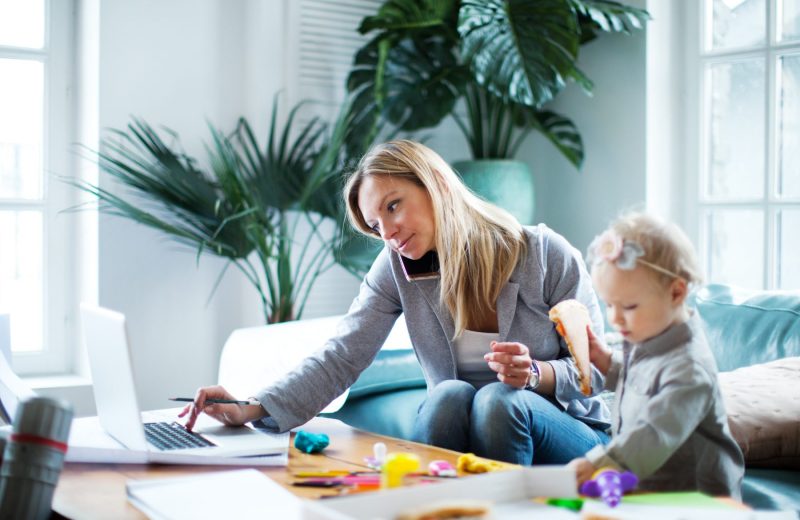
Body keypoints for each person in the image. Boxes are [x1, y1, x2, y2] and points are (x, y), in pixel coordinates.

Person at [181, 140, 610, 465]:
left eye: (393, 206)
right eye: (375, 223)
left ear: (437, 184)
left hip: (570, 434)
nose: (387, 232)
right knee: (447, 397)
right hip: (468, 428)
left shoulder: (543, 253)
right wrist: (250, 406)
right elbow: (343, 354)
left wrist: (536, 373)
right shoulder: (397, 268)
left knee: (499, 401)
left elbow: (598, 369)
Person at [567, 213, 744, 498]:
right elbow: (643, 377)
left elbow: (655, 432)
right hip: (652, 487)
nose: (616, 319)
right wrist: (608, 364)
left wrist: (604, 463)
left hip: (699, 500)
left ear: (676, 292)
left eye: (629, 306)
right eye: (609, 305)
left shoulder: (690, 368)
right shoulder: (649, 337)